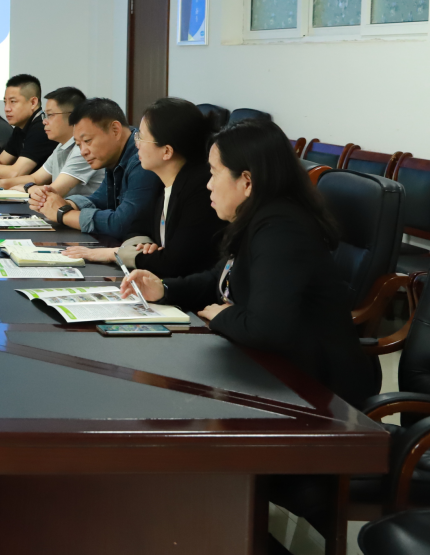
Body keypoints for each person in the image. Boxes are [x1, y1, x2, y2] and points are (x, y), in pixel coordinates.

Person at [119, 118, 378, 409]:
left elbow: (266, 329)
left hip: (316, 389)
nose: (208, 185)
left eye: (214, 173)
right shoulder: (258, 218)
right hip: (272, 366)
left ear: (247, 181)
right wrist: (164, 288)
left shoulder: (282, 231)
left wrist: (222, 316)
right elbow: (220, 278)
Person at [65, 97, 224, 273]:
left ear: (166, 151)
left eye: (141, 137)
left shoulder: (199, 191)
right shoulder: (163, 182)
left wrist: (115, 254)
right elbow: (136, 226)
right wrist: (143, 244)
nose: (136, 144)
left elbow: (174, 262)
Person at [30, 97, 160, 237]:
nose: (83, 152)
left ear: (115, 130)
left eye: (87, 141)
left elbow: (123, 223)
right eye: (79, 145)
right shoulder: (114, 157)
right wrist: (58, 204)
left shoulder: (142, 159)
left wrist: (63, 214)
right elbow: (100, 200)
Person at [0, 87, 103, 197]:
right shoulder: (61, 146)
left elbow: (53, 191)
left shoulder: (82, 150)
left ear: (73, 117)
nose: (44, 121)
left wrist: (27, 188)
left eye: (50, 115)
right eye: (45, 115)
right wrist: (1, 183)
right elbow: (36, 178)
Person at [0, 74, 57, 180]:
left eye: (13, 102)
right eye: (5, 102)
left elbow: (16, 173)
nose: (6, 108)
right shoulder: (20, 127)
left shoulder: (42, 128)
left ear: (33, 102)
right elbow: (2, 161)